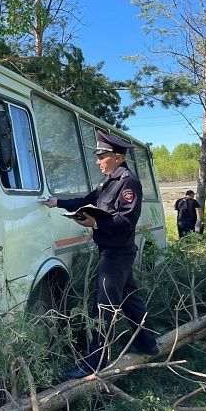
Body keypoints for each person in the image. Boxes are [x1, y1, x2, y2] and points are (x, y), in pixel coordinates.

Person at [43, 130, 159, 379]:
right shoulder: (108, 181)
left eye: (102, 155)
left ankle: (95, 363)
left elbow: (125, 222)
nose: (98, 161)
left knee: (102, 307)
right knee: (130, 301)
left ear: (117, 157)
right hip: (113, 251)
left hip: (117, 254)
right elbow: (87, 200)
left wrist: (94, 225)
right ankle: (148, 344)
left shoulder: (128, 182)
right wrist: (58, 203)